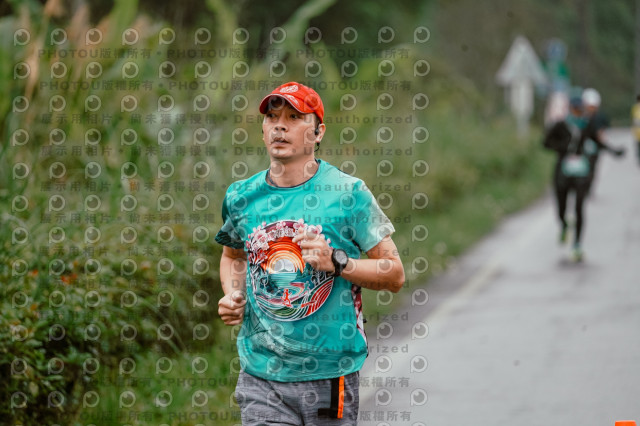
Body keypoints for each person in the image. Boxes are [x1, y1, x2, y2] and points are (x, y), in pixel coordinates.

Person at [215, 81, 405, 425]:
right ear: (263, 129)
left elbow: (394, 274)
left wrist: (338, 262)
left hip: (330, 374)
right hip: (261, 374)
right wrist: (232, 293)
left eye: (293, 117)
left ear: (318, 133)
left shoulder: (348, 194)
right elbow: (233, 256)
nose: (280, 126)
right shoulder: (241, 196)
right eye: (272, 117)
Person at [544, 96, 624, 261]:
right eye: (575, 109)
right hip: (563, 172)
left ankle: (577, 245)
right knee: (561, 206)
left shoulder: (587, 125)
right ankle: (564, 224)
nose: (578, 112)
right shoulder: (560, 125)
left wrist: (614, 151)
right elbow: (546, 143)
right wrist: (563, 148)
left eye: (580, 109)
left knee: (579, 207)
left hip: (581, 171)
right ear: (570, 109)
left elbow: (598, 142)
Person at [632, 94, 640, 165]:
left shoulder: (635, 108)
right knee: (638, 146)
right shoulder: (635, 108)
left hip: (637, 131)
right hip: (637, 132)